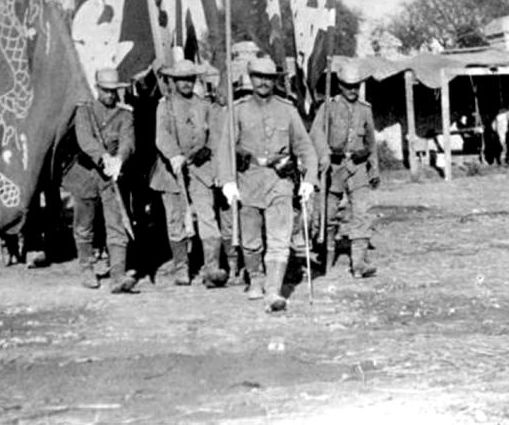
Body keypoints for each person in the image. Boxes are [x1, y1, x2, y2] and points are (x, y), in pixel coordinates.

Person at [219, 57, 318, 312]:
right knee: (250, 240)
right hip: (249, 180)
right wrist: (228, 181)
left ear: (275, 81)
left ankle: (273, 291)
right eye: (258, 77)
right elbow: (225, 148)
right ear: (250, 79)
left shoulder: (287, 110)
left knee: (279, 239)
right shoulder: (238, 110)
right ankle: (255, 278)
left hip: (279, 181)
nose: (263, 82)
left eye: (269, 78)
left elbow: (305, 147)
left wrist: (309, 180)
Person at [150, 60, 229, 288]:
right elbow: (161, 135)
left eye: (190, 79)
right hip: (171, 171)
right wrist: (173, 154)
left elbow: (215, 137)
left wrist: (214, 166)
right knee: (176, 219)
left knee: (207, 216)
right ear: (173, 81)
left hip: (200, 169)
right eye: (182, 79)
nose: (186, 83)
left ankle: (211, 267)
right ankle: (181, 267)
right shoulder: (164, 106)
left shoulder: (204, 105)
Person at [63, 68, 138, 293]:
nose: (110, 95)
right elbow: (84, 139)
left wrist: (119, 160)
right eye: (106, 91)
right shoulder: (85, 112)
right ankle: (86, 268)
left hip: (111, 178)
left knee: (116, 224)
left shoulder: (124, 114)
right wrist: (103, 156)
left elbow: (128, 142)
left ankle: (118, 274)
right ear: (97, 89)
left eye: (114, 91)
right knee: (84, 225)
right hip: (86, 176)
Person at [309, 61, 379, 278]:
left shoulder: (365, 109)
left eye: (356, 86)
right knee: (327, 216)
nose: (352, 90)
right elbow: (315, 133)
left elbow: (371, 142)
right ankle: (326, 257)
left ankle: (358, 264)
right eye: (348, 86)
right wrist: (324, 154)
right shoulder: (328, 107)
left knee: (362, 213)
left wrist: (374, 168)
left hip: (357, 167)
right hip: (334, 167)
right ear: (339, 85)